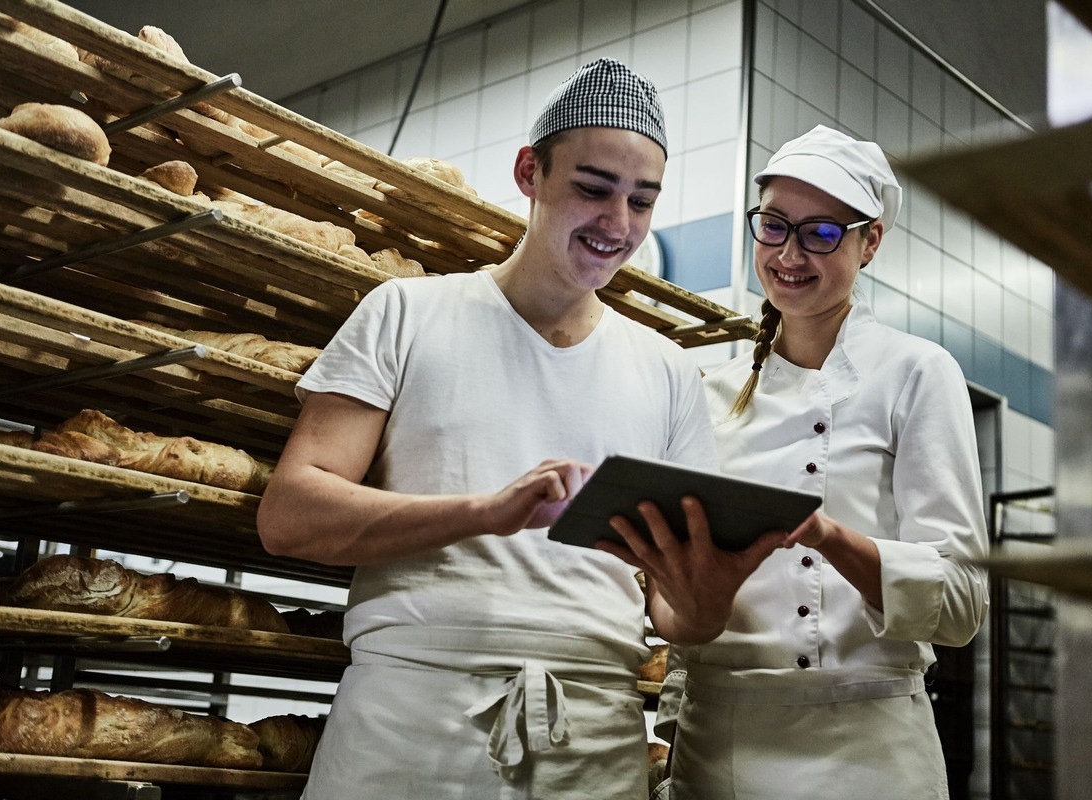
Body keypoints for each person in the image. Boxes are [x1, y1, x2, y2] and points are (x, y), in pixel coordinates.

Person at [257, 58, 781, 799]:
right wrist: (484, 513)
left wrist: (708, 594)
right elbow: (290, 515)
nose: (617, 224)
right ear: (529, 171)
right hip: (410, 719)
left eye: (642, 201)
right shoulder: (406, 312)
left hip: (591, 737)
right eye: (594, 189)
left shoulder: (666, 369)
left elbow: (674, 615)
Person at [603, 125, 990, 800]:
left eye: (822, 233)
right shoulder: (708, 394)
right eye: (774, 226)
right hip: (721, 744)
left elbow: (961, 605)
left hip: (868, 747)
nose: (789, 253)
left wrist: (828, 536)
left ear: (870, 242)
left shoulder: (916, 373)